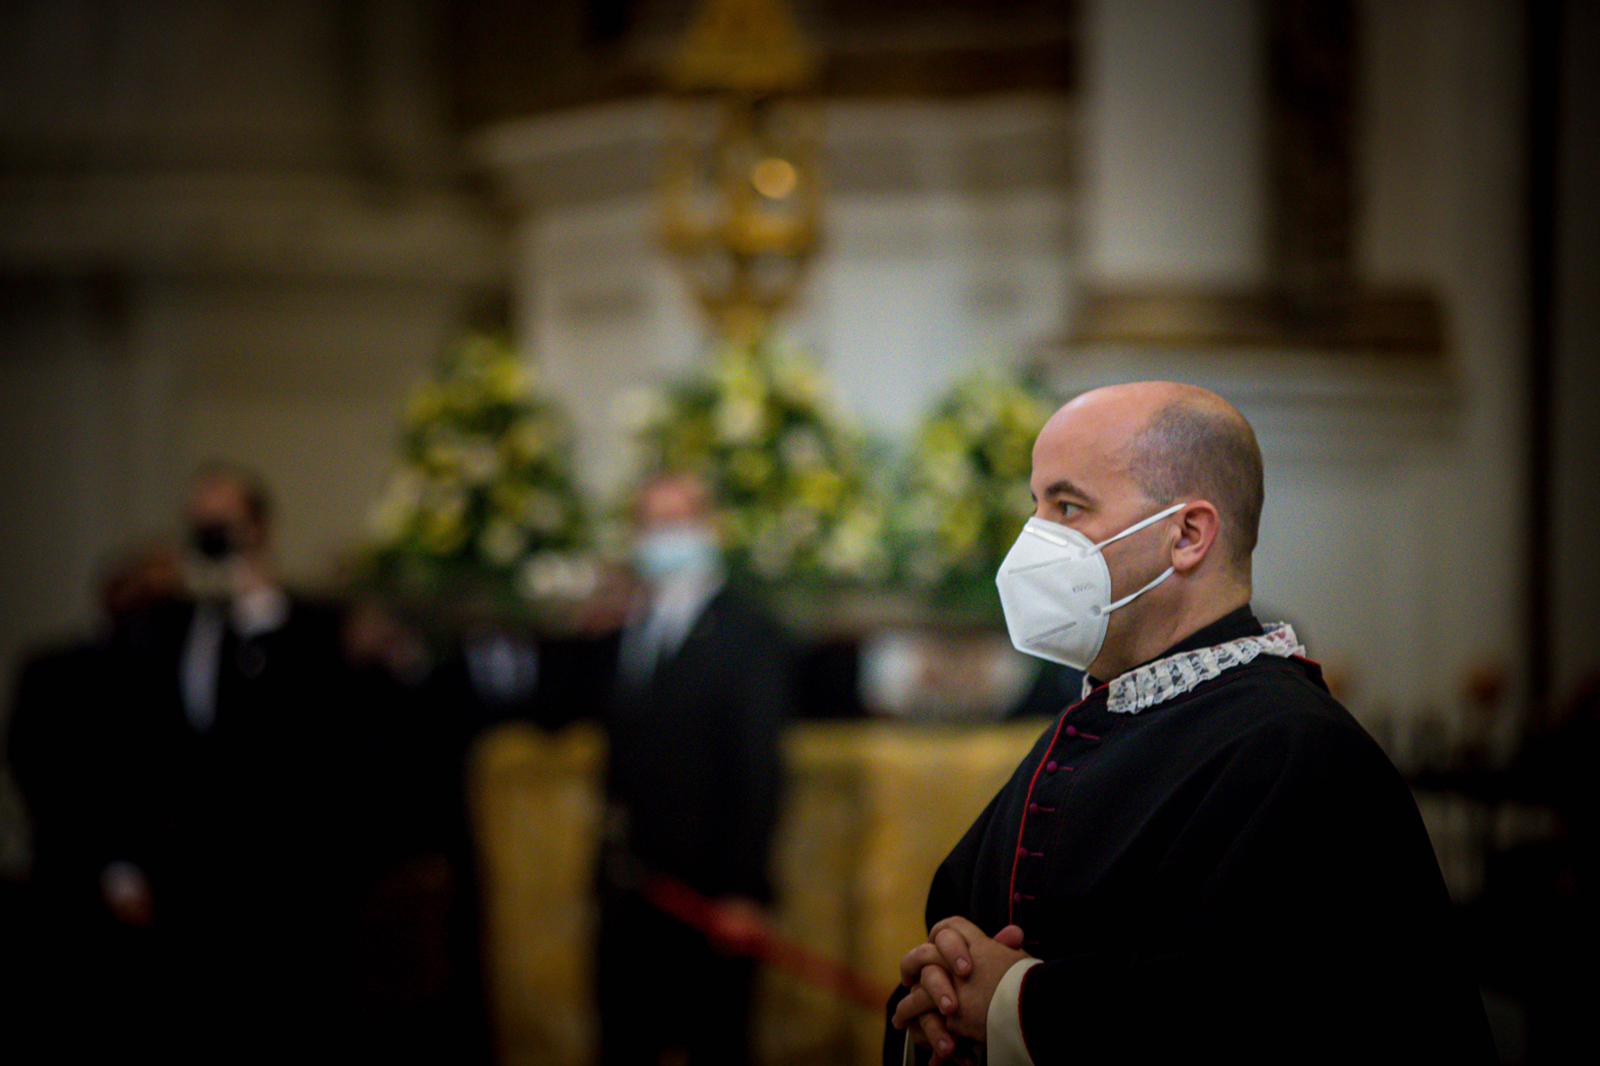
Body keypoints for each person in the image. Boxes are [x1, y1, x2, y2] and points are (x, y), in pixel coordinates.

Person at [885, 382, 1496, 1064]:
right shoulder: (1098, 719)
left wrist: (1014, 1008)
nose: (1036, 540)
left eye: (1068, 506)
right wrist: (935, 1004)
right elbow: (956, 934)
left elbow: (1243, 1018)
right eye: (1037, 506)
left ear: (1187, 535)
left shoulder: (1292, 748)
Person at [105, 462, 360, 1056]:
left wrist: (260, 622)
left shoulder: (310, 628)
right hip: (186, 874)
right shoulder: (162, 624)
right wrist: (123, 856)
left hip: (286, 882)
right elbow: (130, 742)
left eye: (225, 523)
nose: (212, 536)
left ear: (259, 528)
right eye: (201, 524)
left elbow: (319, 743)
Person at [540, 472, 792, 1066]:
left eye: (678, 520)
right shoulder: (623, 627)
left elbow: (759, 769)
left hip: (709, 893)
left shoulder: (751, 633)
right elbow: (558, 715)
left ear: (711, 528)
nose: (664, 536)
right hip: (628, 888)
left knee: (715, 1043)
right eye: (652, 522)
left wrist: (744, 889)